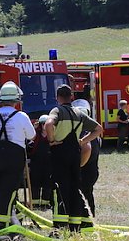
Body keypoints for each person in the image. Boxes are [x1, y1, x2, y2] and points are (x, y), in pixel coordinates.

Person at [0, 81, 36, 233]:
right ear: (16, 101)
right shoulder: (21, 116)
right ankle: (1, 228)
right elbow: (32, 135)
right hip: (13, 158)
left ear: (0, 100)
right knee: (7, 192)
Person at [43, 84, 103, 232]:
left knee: (60, 189)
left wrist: (51, 141)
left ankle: (60, 227)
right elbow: (98, 129)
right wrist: (83, 141)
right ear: (71, 97)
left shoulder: (57, 110)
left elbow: (49, 124)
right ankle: (75, 227)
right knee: (75, 189)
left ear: (57, 98)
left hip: (60, 154)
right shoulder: (79, 113)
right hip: (74, 155)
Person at [73, 100, 102, 219]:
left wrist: (78, 166)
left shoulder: (83, 132)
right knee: (88, 194)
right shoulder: (94, 133)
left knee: (81, 196)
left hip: (84, 172)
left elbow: (86, 148)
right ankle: (91, 219)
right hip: (92, 171)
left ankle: (85, 221)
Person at [28, 114, 53, 209]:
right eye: (43, 124)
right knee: (35, 183)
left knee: (48, 183)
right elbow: (29, 145)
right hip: (36, 163)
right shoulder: (35, 136)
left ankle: (45, 203)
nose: (45, 126)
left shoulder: (52, 135)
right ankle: (34, 203)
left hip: (49, 163)